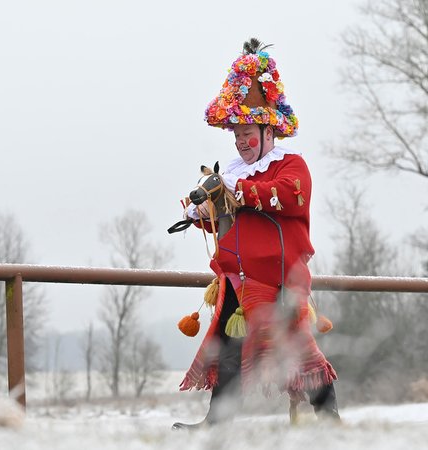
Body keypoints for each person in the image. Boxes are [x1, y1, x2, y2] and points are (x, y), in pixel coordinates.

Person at [172, 38, 339, 430]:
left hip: (279, 282)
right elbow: (225, 216)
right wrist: (201, 212)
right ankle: (217, 426)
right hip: (236, 282)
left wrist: (239, 192)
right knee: (227, 354)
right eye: (235, 135)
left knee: (301, 354)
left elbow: (290, 198)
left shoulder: (291, 165)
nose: (240, 141)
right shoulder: (232, 173)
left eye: (246, 132)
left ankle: (331, 423)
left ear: (267, 131)